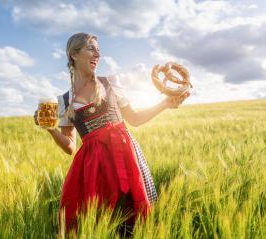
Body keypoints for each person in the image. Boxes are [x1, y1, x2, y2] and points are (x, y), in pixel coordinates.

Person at [34, 32, 190, 235]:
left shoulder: (110, 83)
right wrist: (51, 129)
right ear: (74, 54)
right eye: (91, 48)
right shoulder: (64, 100)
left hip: (126, 157)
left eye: (98, 50)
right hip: (93, 168)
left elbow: (133, 118)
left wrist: (165, 104)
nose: (97, 54)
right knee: (100, 221)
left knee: (134, 219)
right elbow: (70, 147)